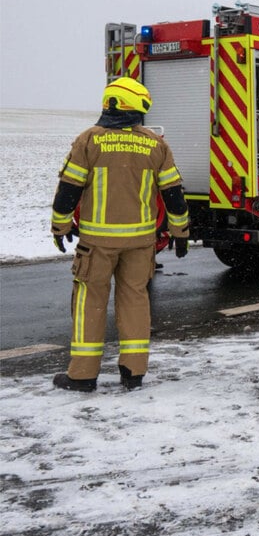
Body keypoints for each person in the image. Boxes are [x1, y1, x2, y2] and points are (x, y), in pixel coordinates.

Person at [49, 77, 190, 392]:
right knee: (135, 301)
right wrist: (180, 231)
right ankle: (133, 373)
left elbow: (68, 190)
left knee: (90, 302)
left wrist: (61, 226)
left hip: (96, 244)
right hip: (141, 243)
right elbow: (174, 194)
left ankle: (83, 376)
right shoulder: (156, 144)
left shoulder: (89, 141)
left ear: (110, 103)